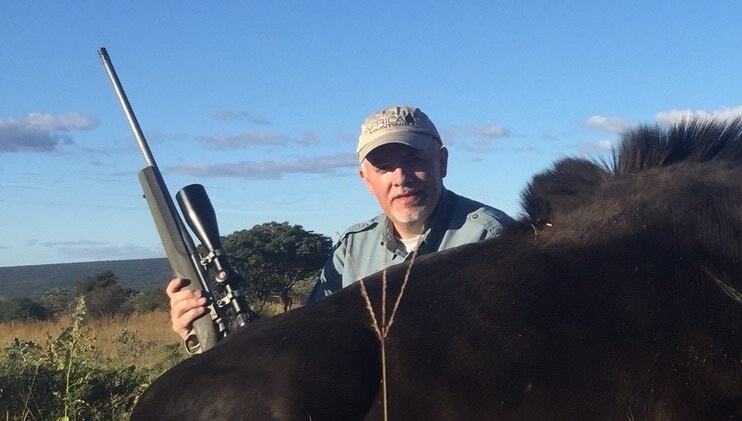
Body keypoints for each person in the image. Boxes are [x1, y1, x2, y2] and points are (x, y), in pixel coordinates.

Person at [167, 105, 511, 341]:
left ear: (442, 162)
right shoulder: (352, 248)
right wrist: (204, 329)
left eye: (415, 160)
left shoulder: (491, 237)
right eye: (384, 167)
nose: (401, 178)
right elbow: (313, 339)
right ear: (365, 179)